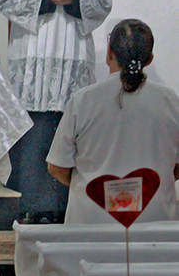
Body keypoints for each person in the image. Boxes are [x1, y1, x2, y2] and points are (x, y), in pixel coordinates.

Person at [0, 0, 113, 223]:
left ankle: (65, 207)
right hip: (33, 53)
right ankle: (30, 203)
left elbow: (103, 0)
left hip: (72, 54)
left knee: (67, 129)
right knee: (34, 132)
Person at [47, 19, 179, 224]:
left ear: (110, 53)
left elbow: (57, 167)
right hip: (154, 221)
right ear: (149, 59)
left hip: (92, 221)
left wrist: (93, 189)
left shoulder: (83, 100)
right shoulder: (170, 101)